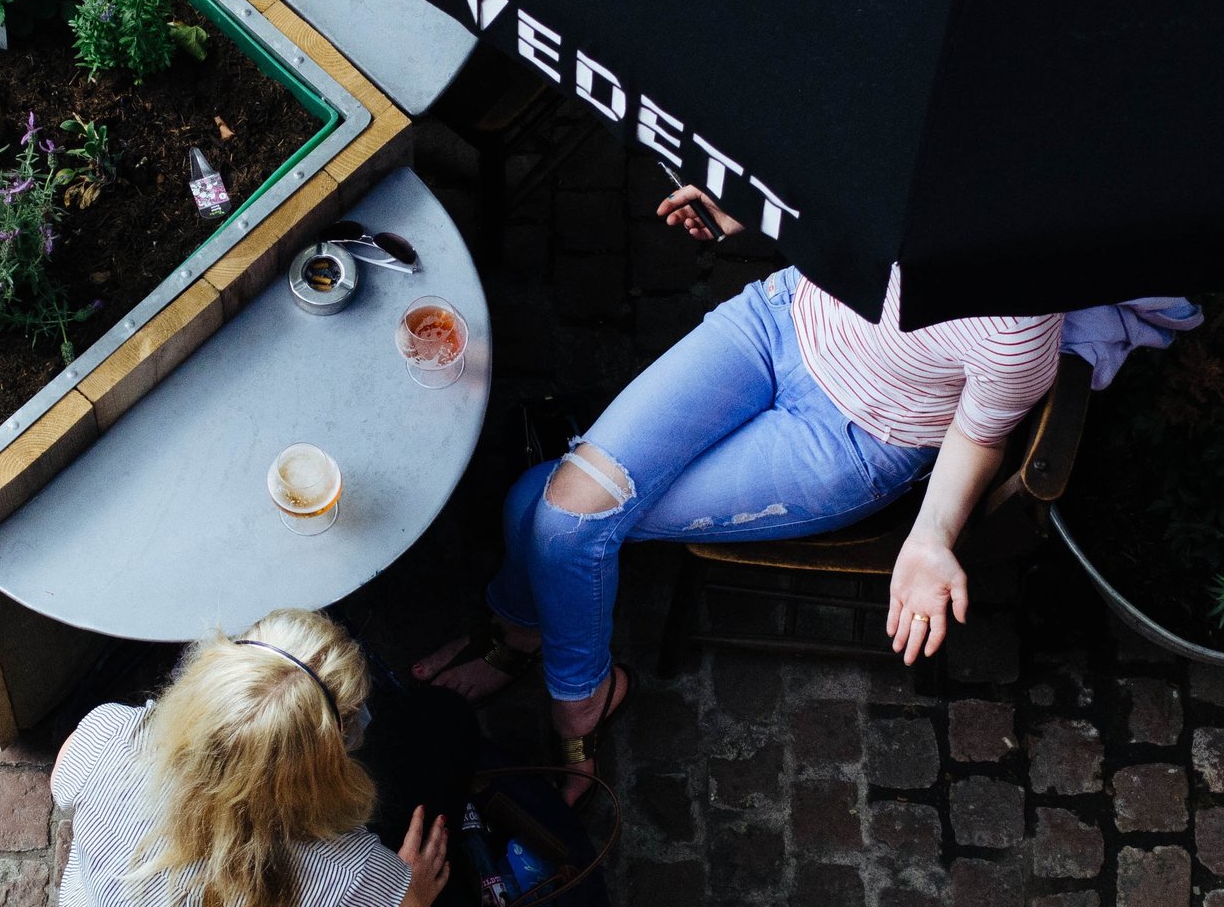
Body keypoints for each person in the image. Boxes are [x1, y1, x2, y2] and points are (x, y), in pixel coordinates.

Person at [417, 185, 1064, 796]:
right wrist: (756, 207)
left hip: (853, 438)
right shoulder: (904, 168)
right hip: (777, 321)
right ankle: (537, 642)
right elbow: (826, 209)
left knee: (548, 512)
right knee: (539, 506)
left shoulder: (1019, 328)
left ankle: (575, 695)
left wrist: (931, 533)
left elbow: (979, 437)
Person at [51, 608, 466, 907]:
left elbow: (61, 787)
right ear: (332, 747)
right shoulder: (359, 882)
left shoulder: (108, 738)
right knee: (443, 720)